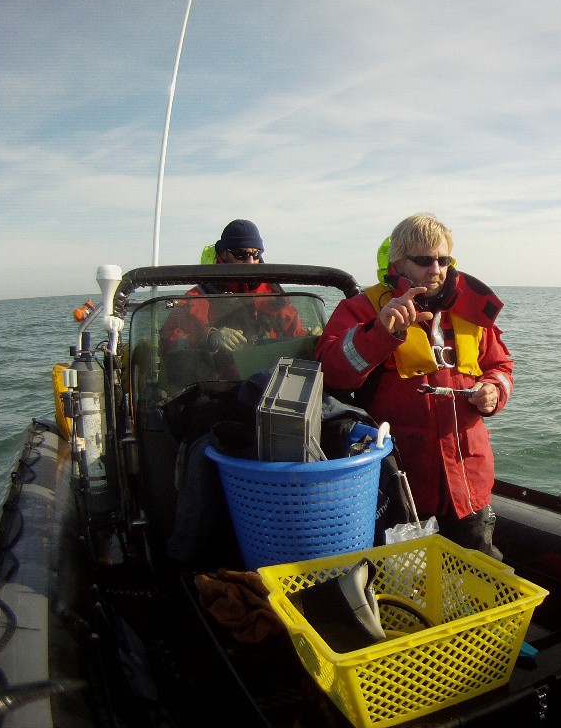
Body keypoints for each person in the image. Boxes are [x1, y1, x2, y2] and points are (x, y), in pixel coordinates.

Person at [315, 213, 514, 558]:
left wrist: (495, 389)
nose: (435, 269)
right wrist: (381, 333)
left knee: (478, 572)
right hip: (398, 485)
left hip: (469, 485)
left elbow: (501, 365)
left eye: (442, 259)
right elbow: (333, 374)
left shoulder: (470, 311)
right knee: (404, 585)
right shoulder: (361, 309)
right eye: (423, 260)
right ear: (398, 263)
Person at [161, 219, 306, 356]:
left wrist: (313, 337)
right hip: (220, 379)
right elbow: (167, 341)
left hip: (272, 376)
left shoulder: (274, 294)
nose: (250, 262)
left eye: (256, 254)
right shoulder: (198, 297)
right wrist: (208, 336)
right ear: (224, 254)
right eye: (241, 254)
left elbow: (297, 333)